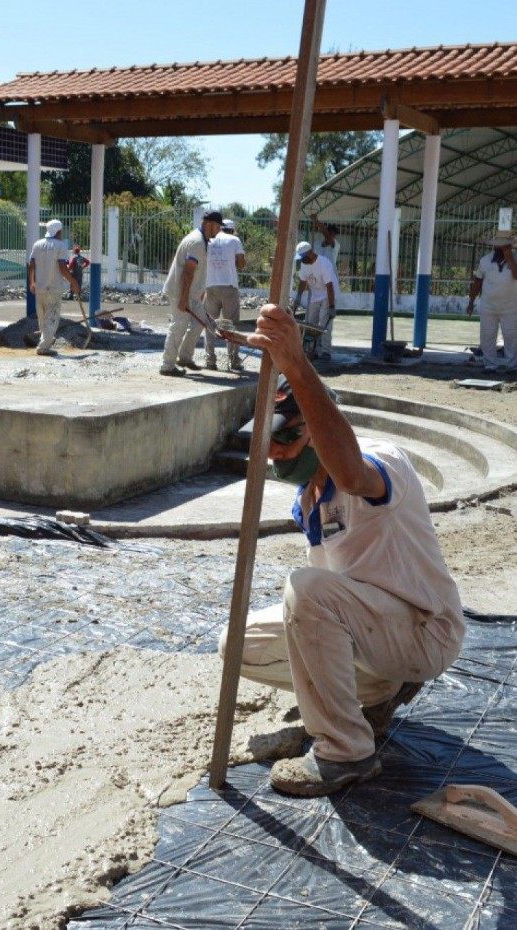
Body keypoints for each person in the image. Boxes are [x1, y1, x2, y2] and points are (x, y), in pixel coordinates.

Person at [218, 303, 464, 797]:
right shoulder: (307, 502)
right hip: (377, 628)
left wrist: (296, 365)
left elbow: (350, 469)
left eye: (288, 438)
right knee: (236, 643)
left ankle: (345, 750)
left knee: (307, 591)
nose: (276, 453)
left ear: (320, 427)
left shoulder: (379, 464)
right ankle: (367, 698)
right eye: (269, 444)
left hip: (423, 630)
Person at [160, 210, 224, 376]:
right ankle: (167, 366)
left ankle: (185, 357)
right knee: (178, 326)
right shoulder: (196, 243)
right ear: (208, 224)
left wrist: (199, 293)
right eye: (217, 226)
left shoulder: (201, 240)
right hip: (181, 292)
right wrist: (183, 299)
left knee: (200, 321)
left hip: (192, 294)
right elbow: (188, 272)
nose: (218, 230)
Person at [467, 230, 517, 374]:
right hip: (488, 306)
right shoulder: (485, 260)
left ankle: (512, 366)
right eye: (499, 246)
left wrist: (510, 259)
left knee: (512, 336)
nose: (502, 249)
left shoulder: (516, 258)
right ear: (495, 247)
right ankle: (490, 365)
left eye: (505, 246)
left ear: (509, 246)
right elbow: (477, 282)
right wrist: (471, 301)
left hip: (511, 306)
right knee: (487, 335)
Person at [28, 220, 80, 355]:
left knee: (42, 317)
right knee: (51, 318)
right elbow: (62, 268)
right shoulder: (60, 246)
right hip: (54, 288)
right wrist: (73, 282)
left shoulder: (37, 244)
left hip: (39, 288)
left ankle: (45, 340)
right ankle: (44, 347)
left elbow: (32, 264)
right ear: (58, 231)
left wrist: (32, 282)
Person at [204, 218, 246, 372]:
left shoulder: (209, 240)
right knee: (232, 325)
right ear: (232, 230)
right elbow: (241, 264)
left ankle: (210, 360)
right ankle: (234, 361)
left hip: (211, 286)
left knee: (209, 324)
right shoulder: (235, 240)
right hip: (229, 286)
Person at [293, 241, 337, 362]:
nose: (301, 260)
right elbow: (302, 281)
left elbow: (329, 286)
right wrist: (298, 297)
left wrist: (332, 306)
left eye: (303, 257)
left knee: (324, 324)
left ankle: (326, 352)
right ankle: (311, 351)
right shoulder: (304, 264)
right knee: (310, 323)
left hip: (329, 294)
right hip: (315, 295)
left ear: (310, 253)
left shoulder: (324, 263)